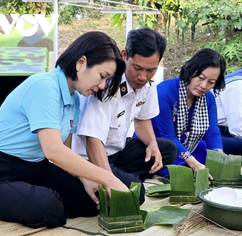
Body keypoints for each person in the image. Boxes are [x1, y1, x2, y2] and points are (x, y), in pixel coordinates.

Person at [0, 31, 127, 228]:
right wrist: (108, 178)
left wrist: (86, 178)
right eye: (102, 76)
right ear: (81, 63)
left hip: (35, 169)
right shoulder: (44, 86)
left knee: (89, 201)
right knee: (49, 208)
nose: (101, 86)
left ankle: (24, 195)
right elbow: (54, 151)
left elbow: (65, 152)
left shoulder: (73, 97)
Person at [71, 28, 177, 199]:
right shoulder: (105, 85)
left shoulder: (148, 85)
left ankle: (120, 174)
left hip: (117, 151)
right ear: (124, 55)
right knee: (137, 194)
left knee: (168, 150)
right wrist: (109, 181)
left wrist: (152, 144)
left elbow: (142, 121)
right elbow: (92, 141)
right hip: (91, 157)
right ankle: (114, 176)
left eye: (151, 70)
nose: (143, 76)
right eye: (137, 68)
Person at [151, 49, 226, 178]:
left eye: (211, 82)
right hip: (159, 145)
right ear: (191, 71)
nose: (204, 85)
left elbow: (212, 132)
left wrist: (218, 155)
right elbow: (168, 136)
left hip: (185, 143)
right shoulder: (164, 92)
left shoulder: (208, 98)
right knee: (184, 171)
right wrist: (193, 163)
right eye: (201, 78)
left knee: (208, 155)